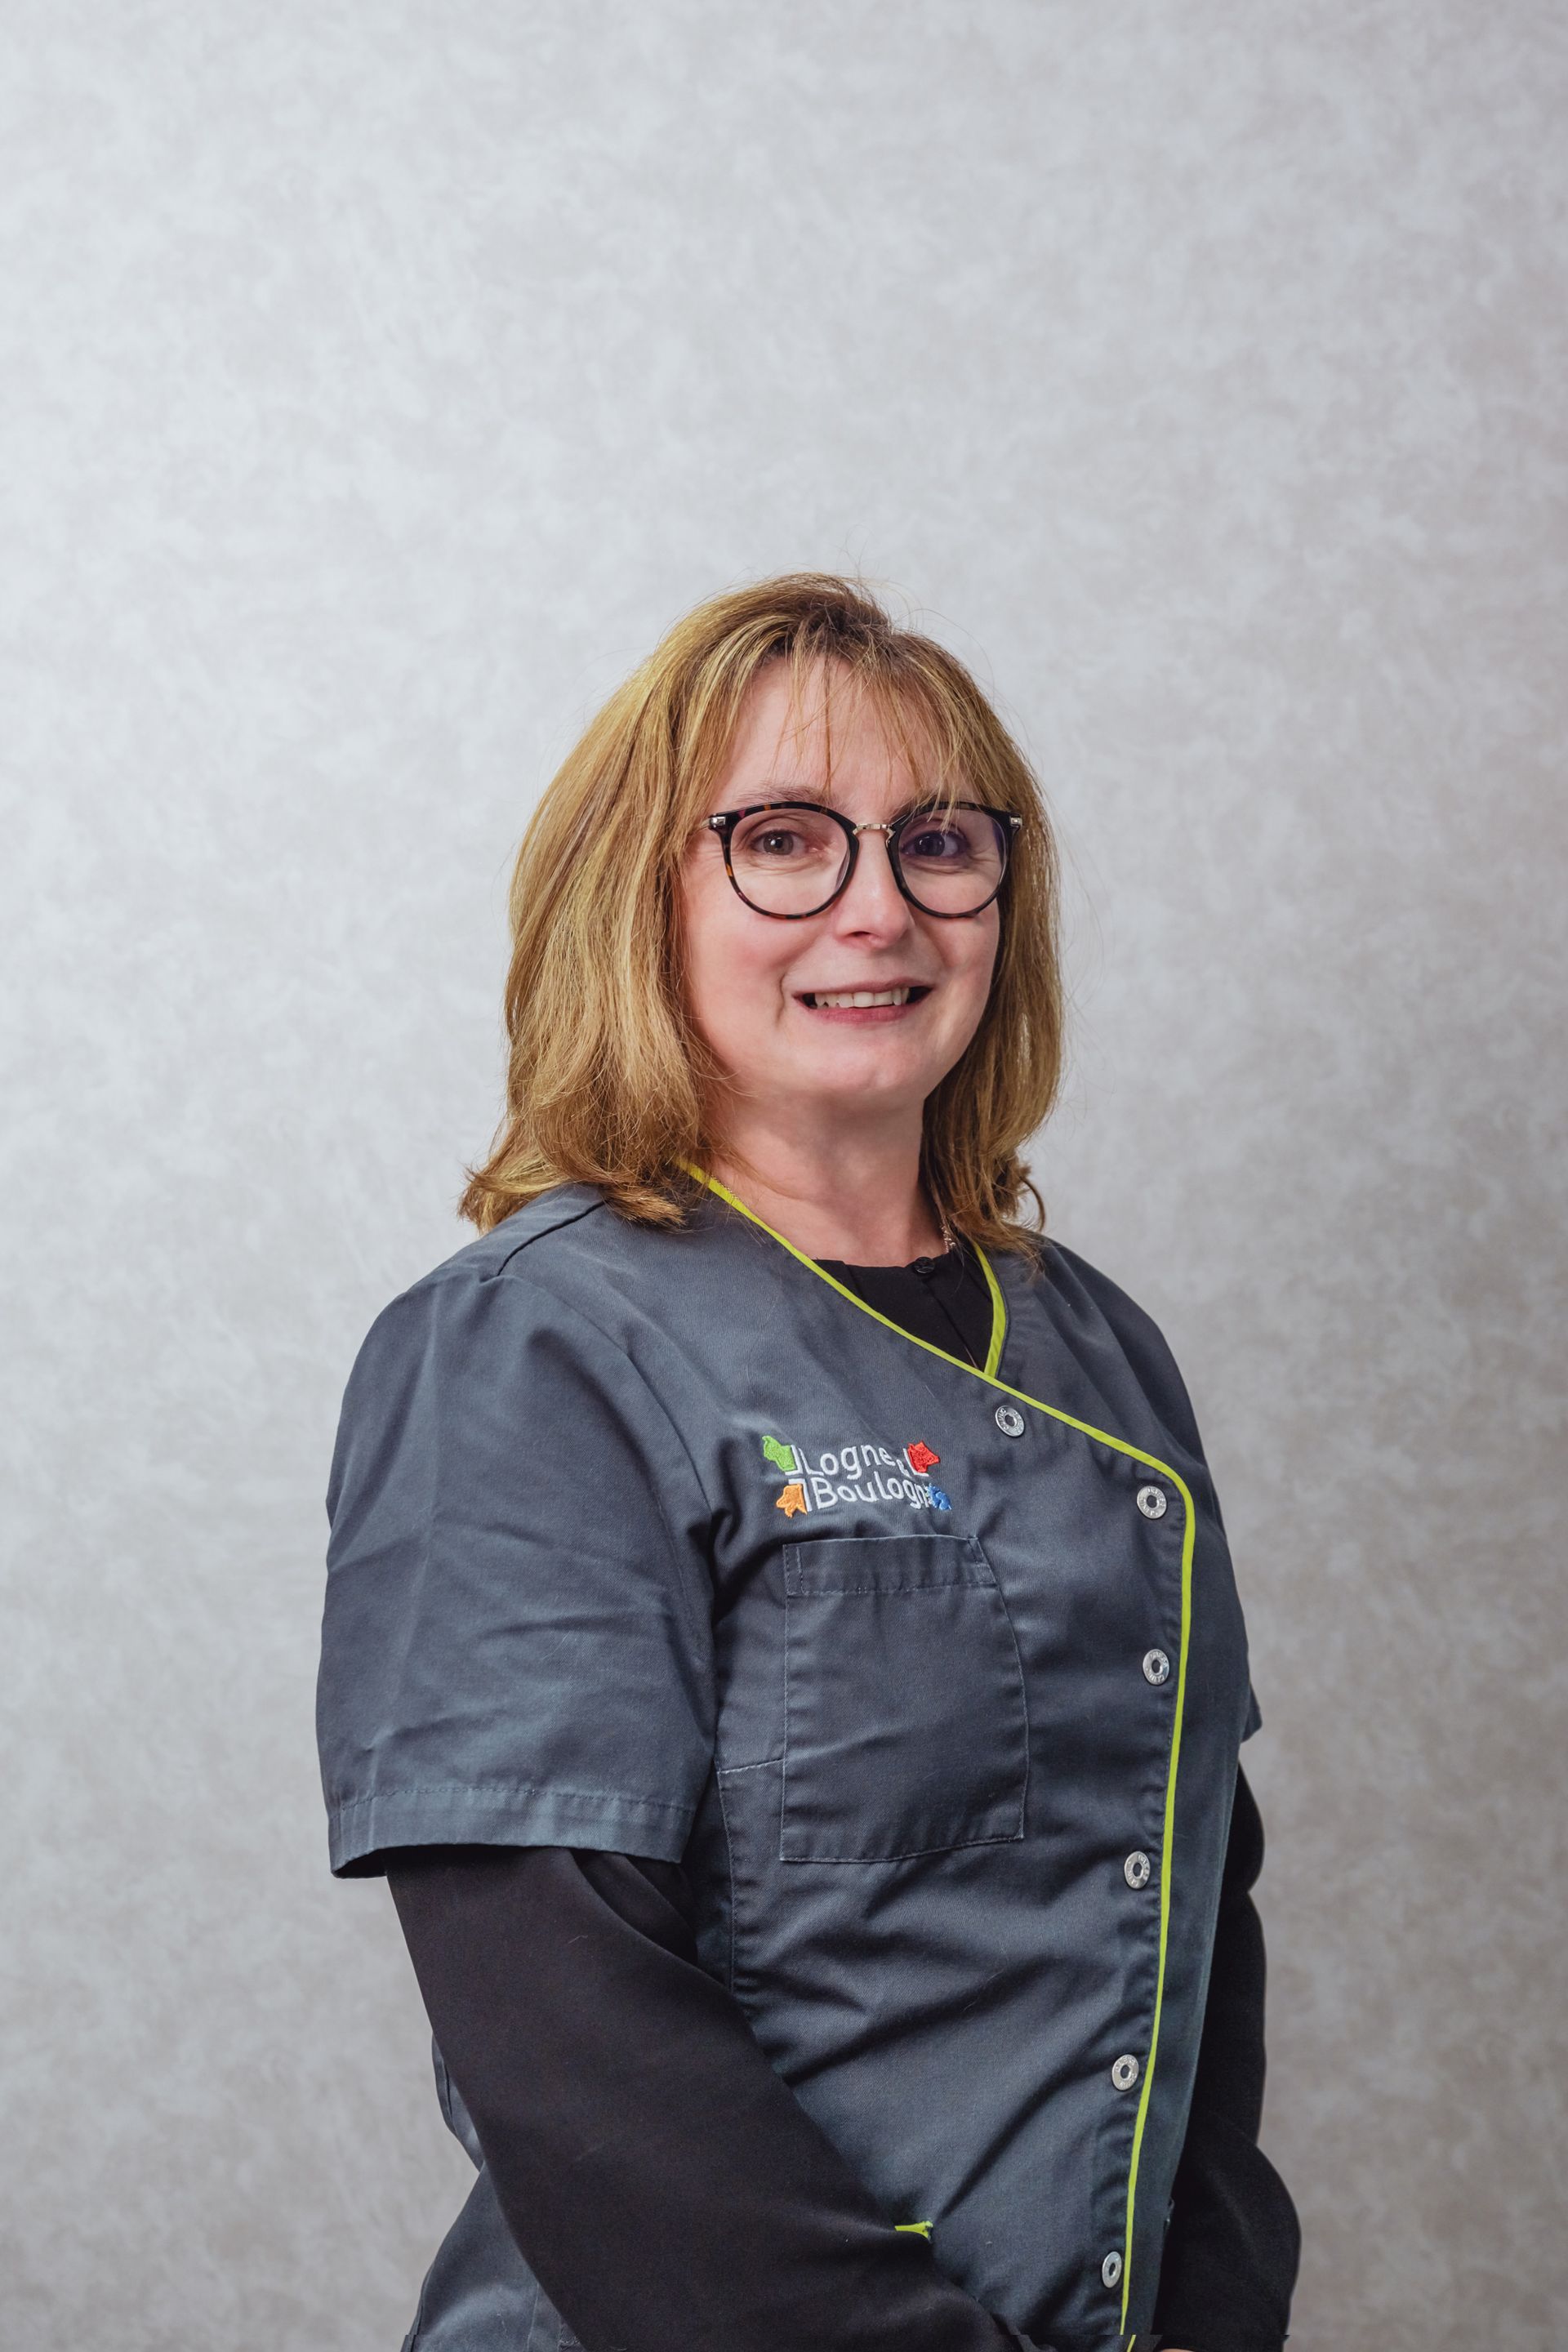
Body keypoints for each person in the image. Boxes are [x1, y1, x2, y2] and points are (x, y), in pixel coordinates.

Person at [316, 575, 1300, 2352]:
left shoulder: (1098, 1346)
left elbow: (1195, 1913)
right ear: (647, 898)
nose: (879, 908)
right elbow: (568, 2039)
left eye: (938, 842)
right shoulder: (536, 1349)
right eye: (785, 840)